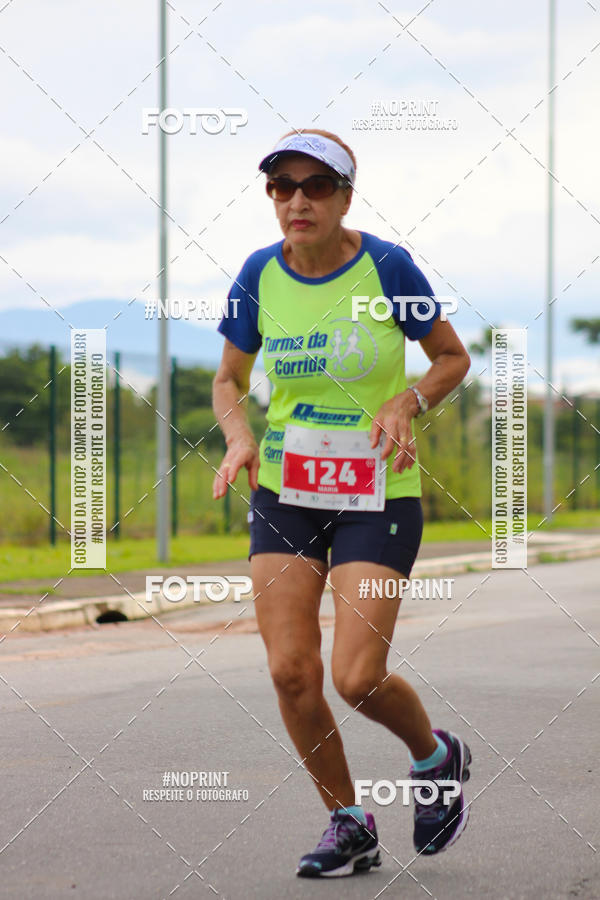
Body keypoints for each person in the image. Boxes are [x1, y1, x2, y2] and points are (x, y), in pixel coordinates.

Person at [212, 129, 472, 878]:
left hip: (375, 493)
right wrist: (239, 436)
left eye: (316, 186)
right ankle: (348, 822)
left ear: (345, 198)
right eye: (282, 186)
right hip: (286, 491)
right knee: (292, 671)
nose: (297, 201)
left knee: (356, 677)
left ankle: (434, 756)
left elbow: (451, 357)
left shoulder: (388, 266)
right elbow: (228, 379)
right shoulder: (258, 274)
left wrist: (407, 401)